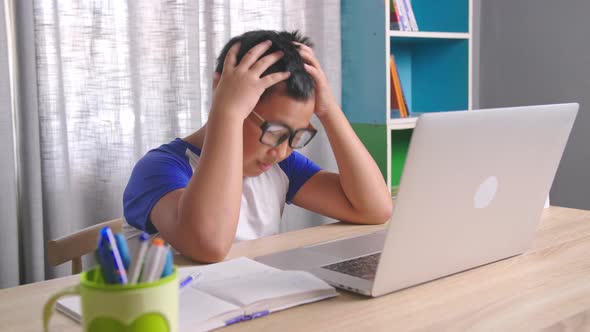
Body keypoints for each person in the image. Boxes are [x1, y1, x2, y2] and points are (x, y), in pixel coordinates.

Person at [123, 30, 392, 263]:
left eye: (296, 137)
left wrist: (329, 110)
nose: (284, 151)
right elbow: (210, 245)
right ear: (226, 96)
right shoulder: (160, 169)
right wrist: (226, 113)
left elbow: (374, 209)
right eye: (275, 132)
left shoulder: (278, 165)